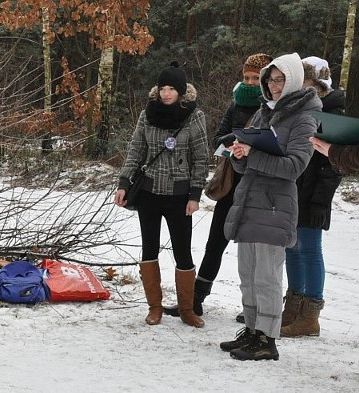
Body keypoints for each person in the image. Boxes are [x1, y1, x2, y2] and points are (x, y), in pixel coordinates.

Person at [218, 53, 321, 361]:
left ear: (292, 80)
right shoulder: (265, 112)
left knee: (267, 277)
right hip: (250, 202)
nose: (273, 86)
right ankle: (251, 331)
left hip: (275, 207)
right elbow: (246, 164)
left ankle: (267, 339)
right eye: (269, 80)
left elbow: (294, 167)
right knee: (247, 274)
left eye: (279, 80)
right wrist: (238, 155)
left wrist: (253, 155)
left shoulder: (304, 116)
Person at [163, 53, 273, 319]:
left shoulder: (272, 108)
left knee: (256, 249)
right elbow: (217, 140)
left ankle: (258, 307)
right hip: (230, 181)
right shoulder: (235, 104)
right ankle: (196, 300)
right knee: (215, 242)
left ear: (266, 80)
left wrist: (244, 142)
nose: (249, 82)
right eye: (245, 77)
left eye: (255, 78)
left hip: (259, 185)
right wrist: (236, 142)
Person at [115, 62, 209, 328]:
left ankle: (187, 309)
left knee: (183, 251)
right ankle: (154, 307)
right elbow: (136, 150)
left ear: (181, 91)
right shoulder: (148, 114)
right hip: (149, 192)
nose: (166, 94)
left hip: (179, 194)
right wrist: (123, 182)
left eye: (172, 89)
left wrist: (195, 194)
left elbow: (201, 158)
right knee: (149, 248)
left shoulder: (195, 116)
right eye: (162, 88)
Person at [280, 57, 344, 338]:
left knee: (309, 249)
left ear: (316, 82)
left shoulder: (334, 112)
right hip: (294, 188)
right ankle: (293, 306)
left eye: (304, 81)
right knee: (291, 247)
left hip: (315, 194)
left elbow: (334, 164)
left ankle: (310, 315)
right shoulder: (300, 107)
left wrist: (320, 201)